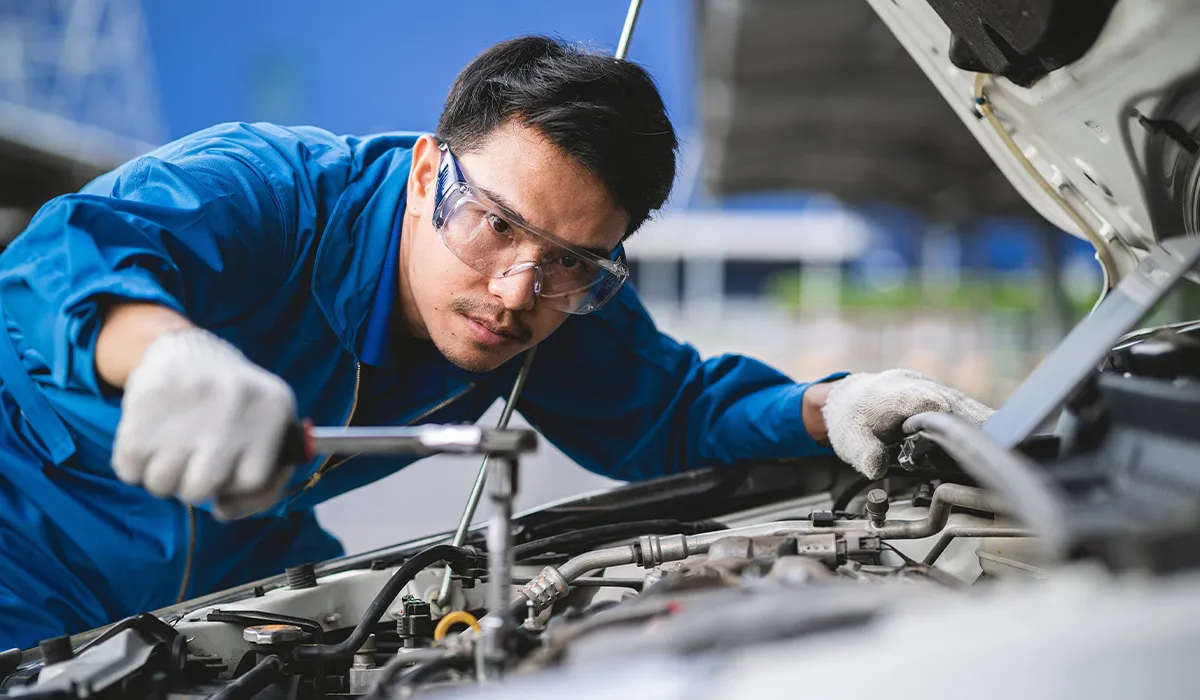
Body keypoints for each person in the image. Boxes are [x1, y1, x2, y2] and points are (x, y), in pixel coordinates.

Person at [0, 36, 992, 651]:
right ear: (430, 169)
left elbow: (675, 409)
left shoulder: (547, 302)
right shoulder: (270, 190)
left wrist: (834, 403)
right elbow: (59, 262)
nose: (517, 290)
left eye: (573, 260)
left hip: (234, 557)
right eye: (497, 224)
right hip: (25, 538)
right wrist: (165, 352)